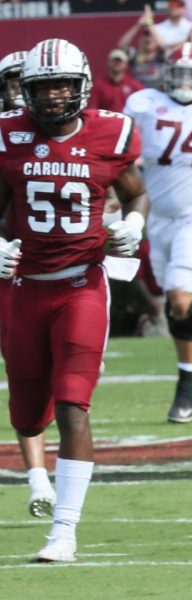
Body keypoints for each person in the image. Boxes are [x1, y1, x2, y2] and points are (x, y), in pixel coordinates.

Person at [0, 38, 149, 562]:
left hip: (82, 285)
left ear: (81, 85)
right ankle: (42, 484)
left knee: (72, 403)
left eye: (62, 84)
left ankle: (64, 530)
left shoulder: (111, 132)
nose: (53, 96)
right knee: (26, 413)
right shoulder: (8, 137)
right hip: (25, 291)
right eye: (42, 87)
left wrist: (133, 221)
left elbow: (134, 190)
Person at [124, 43, 192, 423]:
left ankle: (185, 387)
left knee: (180, 297)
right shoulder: (144, 103)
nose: (186, 82)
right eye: (180, 73)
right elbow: (120, 153)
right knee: (181, 304)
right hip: (159, 218)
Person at [0, 49, 58, 519]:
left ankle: (41, 474)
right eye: (14, 81)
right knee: (23, 375)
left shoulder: (65, 132)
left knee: (40, 375)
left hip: (40, 272)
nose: (21, 91)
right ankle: (38, 476)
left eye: (28, 82)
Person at [89, 49, 144, 113]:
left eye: (120, 61)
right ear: (108, 62)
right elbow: (92, 109)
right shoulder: (98, 85)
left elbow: (142, 107)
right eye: (114, 61)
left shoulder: (134, 85)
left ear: (126, 64)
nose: (117, 63)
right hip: (106, 121)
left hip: (128, 121)